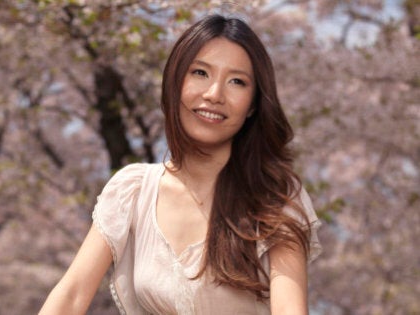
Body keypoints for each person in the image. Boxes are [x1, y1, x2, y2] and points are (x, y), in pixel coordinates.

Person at [39, 14, 322, 315]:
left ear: (252, 105)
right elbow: (71, 296)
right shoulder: (133, 192)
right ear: (175, 82)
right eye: (200, 73)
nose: (214, 94)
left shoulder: (275, 197)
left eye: (236, 81)